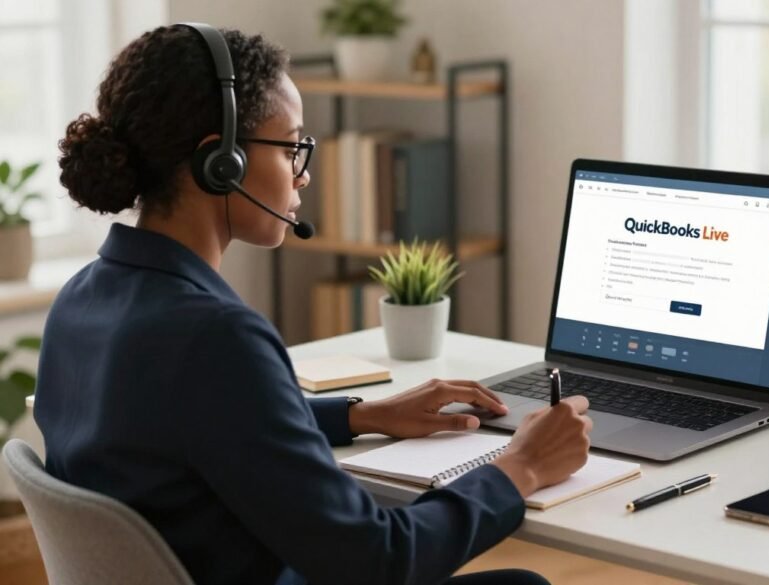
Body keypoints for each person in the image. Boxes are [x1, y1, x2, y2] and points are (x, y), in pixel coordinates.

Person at [36, 24, 593, 585]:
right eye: (292, 145)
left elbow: (196, 427)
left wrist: (361, 415)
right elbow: (376, 561)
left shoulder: (82, 299)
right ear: (220, 162)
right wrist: (521, 467)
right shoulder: (215, 337)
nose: (303, 172)